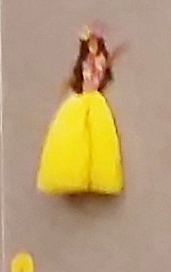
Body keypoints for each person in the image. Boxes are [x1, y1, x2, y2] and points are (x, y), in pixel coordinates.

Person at [33, 27, 123, 197]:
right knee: (76, 136)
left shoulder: (99, 61)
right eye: (90, 44)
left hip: (92, 98)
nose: (92, 47)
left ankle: (95, 176)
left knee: (96, 137)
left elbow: (99, 72)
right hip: (83, 98)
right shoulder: (86, 61)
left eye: (95, 44)